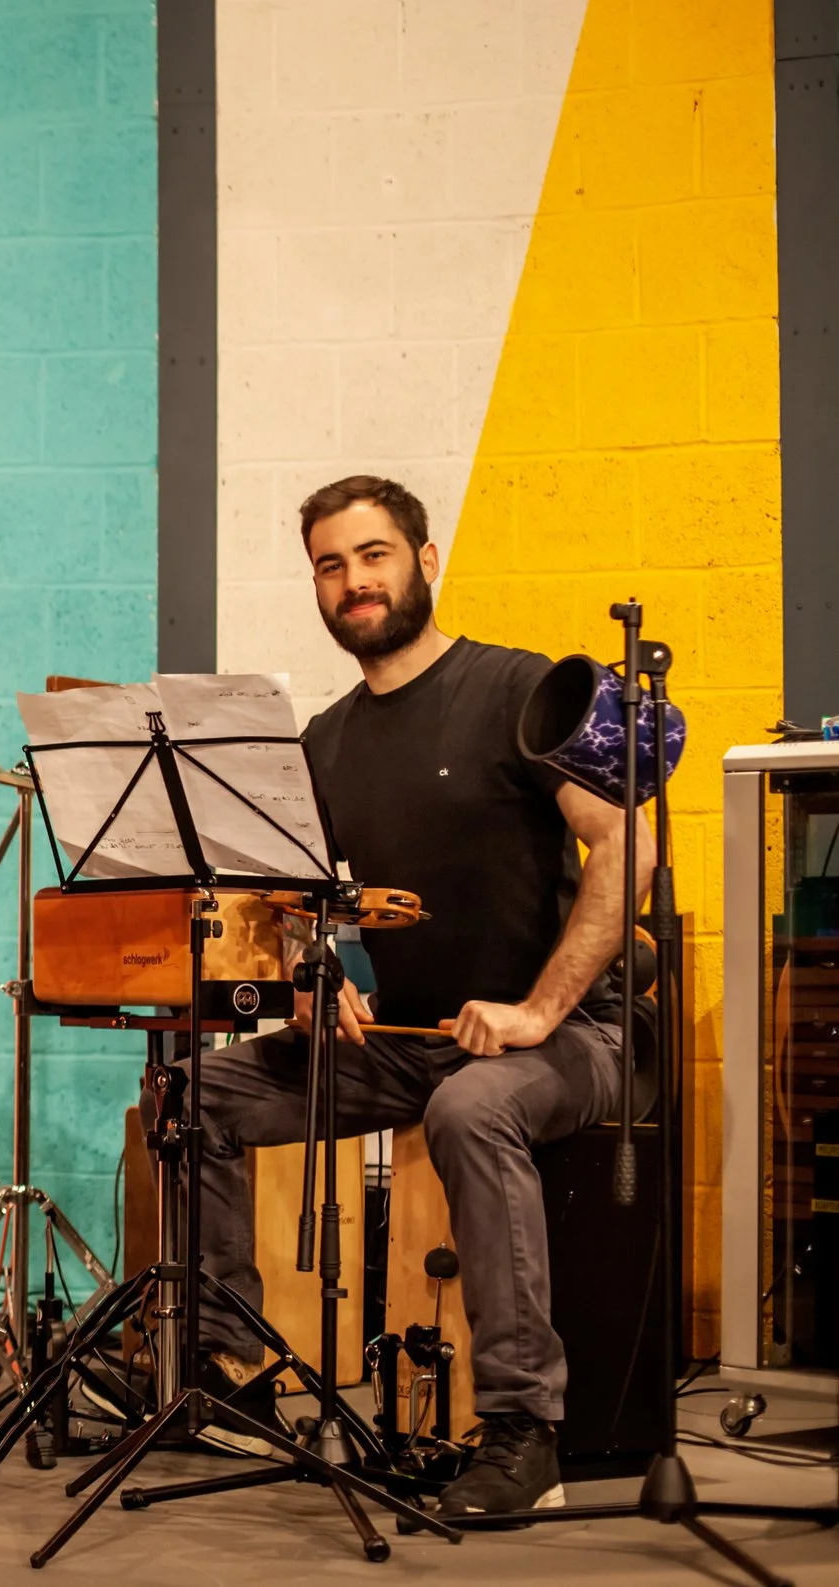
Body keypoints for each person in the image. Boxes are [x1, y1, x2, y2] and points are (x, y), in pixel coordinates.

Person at [188, 475, 649, 1517]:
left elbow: (631, 838)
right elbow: (308, 904)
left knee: (470, 1105)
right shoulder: (324, 740)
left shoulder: (514, 689)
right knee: (191, 1092)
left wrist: (535, 1011)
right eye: (330, 563)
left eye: (374, 554)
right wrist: (317, 978)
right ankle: (224, 1368)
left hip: (566, 1035)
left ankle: (526, 1431)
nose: (354, 581)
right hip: (401, 1040)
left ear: (424, 559)